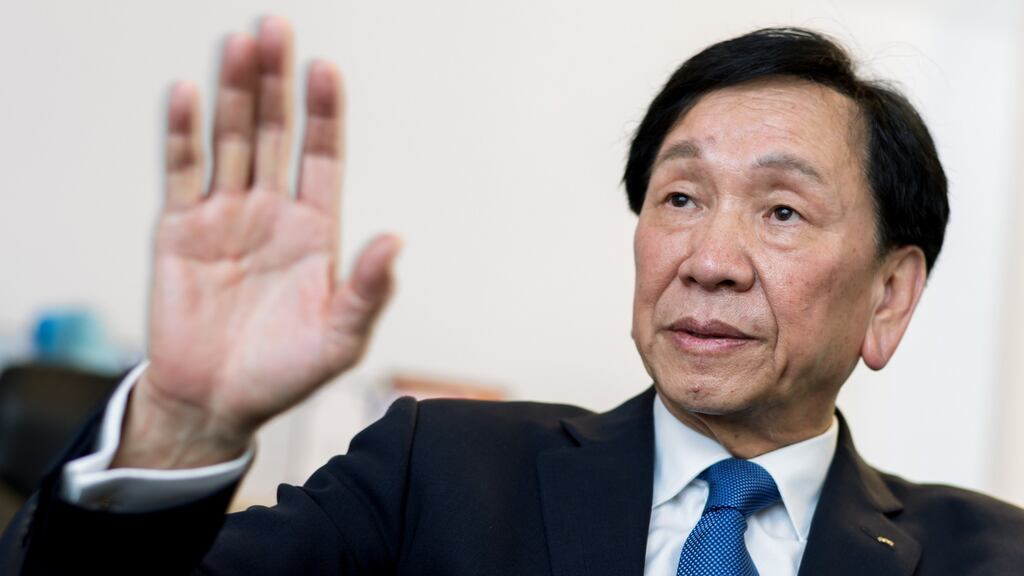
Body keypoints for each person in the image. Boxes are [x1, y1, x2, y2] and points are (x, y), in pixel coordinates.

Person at [2, 15, 1023, 576]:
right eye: (679, 196)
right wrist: (182, 423)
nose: (708, 258)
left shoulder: (988, 556)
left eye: (781, 213)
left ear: (890, 295)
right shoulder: (434, 474)